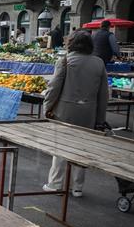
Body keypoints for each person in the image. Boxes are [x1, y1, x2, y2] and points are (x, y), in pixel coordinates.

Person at [43, 31, 108, 197]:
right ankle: (77, 187)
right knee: (82, 149)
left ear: (71, 44)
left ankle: (56, 184)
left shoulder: (65, 61)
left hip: (65, 112)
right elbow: (103, 94)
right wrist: (100, 118)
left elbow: (54, 87)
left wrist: (47, 107)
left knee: (61, 148)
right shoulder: (99, 63)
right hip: (89, 112)